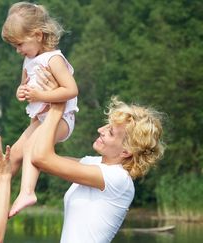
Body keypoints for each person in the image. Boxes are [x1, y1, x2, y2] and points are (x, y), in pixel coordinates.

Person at [0, 1, 79, 217]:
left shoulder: (54, 59)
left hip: (62, 119)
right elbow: (24, 86)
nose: (18, 51)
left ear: (37, 35)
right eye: (14, 46)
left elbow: (71, 90)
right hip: (40, 119)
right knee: (15, 152)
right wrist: (22, 91)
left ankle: (28, 192)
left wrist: (40, 96)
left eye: (19, 44)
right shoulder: (29, 59)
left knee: (31, 149)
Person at [29, 77, 165, 242]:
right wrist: (41, 108)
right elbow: (38, 156)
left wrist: (57, 106)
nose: (100, 130)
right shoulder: (93, 163)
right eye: (106, 126)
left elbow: (40, 157)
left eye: (111, 132)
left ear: (126, 151)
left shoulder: (118, 179)